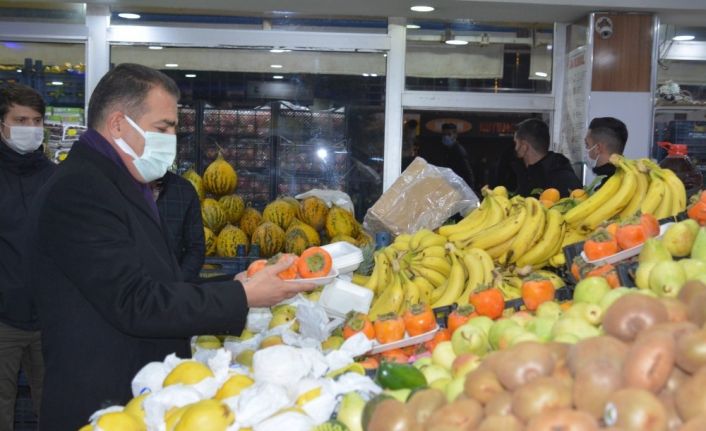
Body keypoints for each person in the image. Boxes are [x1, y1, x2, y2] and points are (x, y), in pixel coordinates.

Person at [25, 63, 316, 431]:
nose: (171, 139)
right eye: (163, 128)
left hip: (134, 395)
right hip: (103, 404)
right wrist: (243, 297)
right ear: (118, 124)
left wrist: (238, 284)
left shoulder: (115, 182)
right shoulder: (80, 190)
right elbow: (137, 301)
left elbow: (156, 281)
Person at [0, 83, 54, 430]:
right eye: (21, 120)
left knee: (53, 407)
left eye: (36, 121)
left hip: (50, 321)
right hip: (2, 321)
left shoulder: (56, 179)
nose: (30, 130)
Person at [152, 171, 205, 281]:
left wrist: (178, 284)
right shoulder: (123, 187)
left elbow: (196, 248)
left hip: (173, 286)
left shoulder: (184, 190)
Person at [513, 118, 582, 198]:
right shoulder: (529, 175)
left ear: (524, 146)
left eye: (516, 143)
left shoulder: (563, 179)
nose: (515, 148)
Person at [418, 122, 477, 194]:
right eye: (444, 134)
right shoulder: (440, 149)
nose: (446, 137)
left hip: (455, 188)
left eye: (449, 134)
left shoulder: (459, 151)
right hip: (443, 186)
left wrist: (470, 191)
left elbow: (467, 172)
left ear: (455, 135)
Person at [585, 117, 628, 189]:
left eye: (587, 144)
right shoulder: (628, 180)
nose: (586, 149)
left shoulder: (607, 190)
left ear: (598, 148)